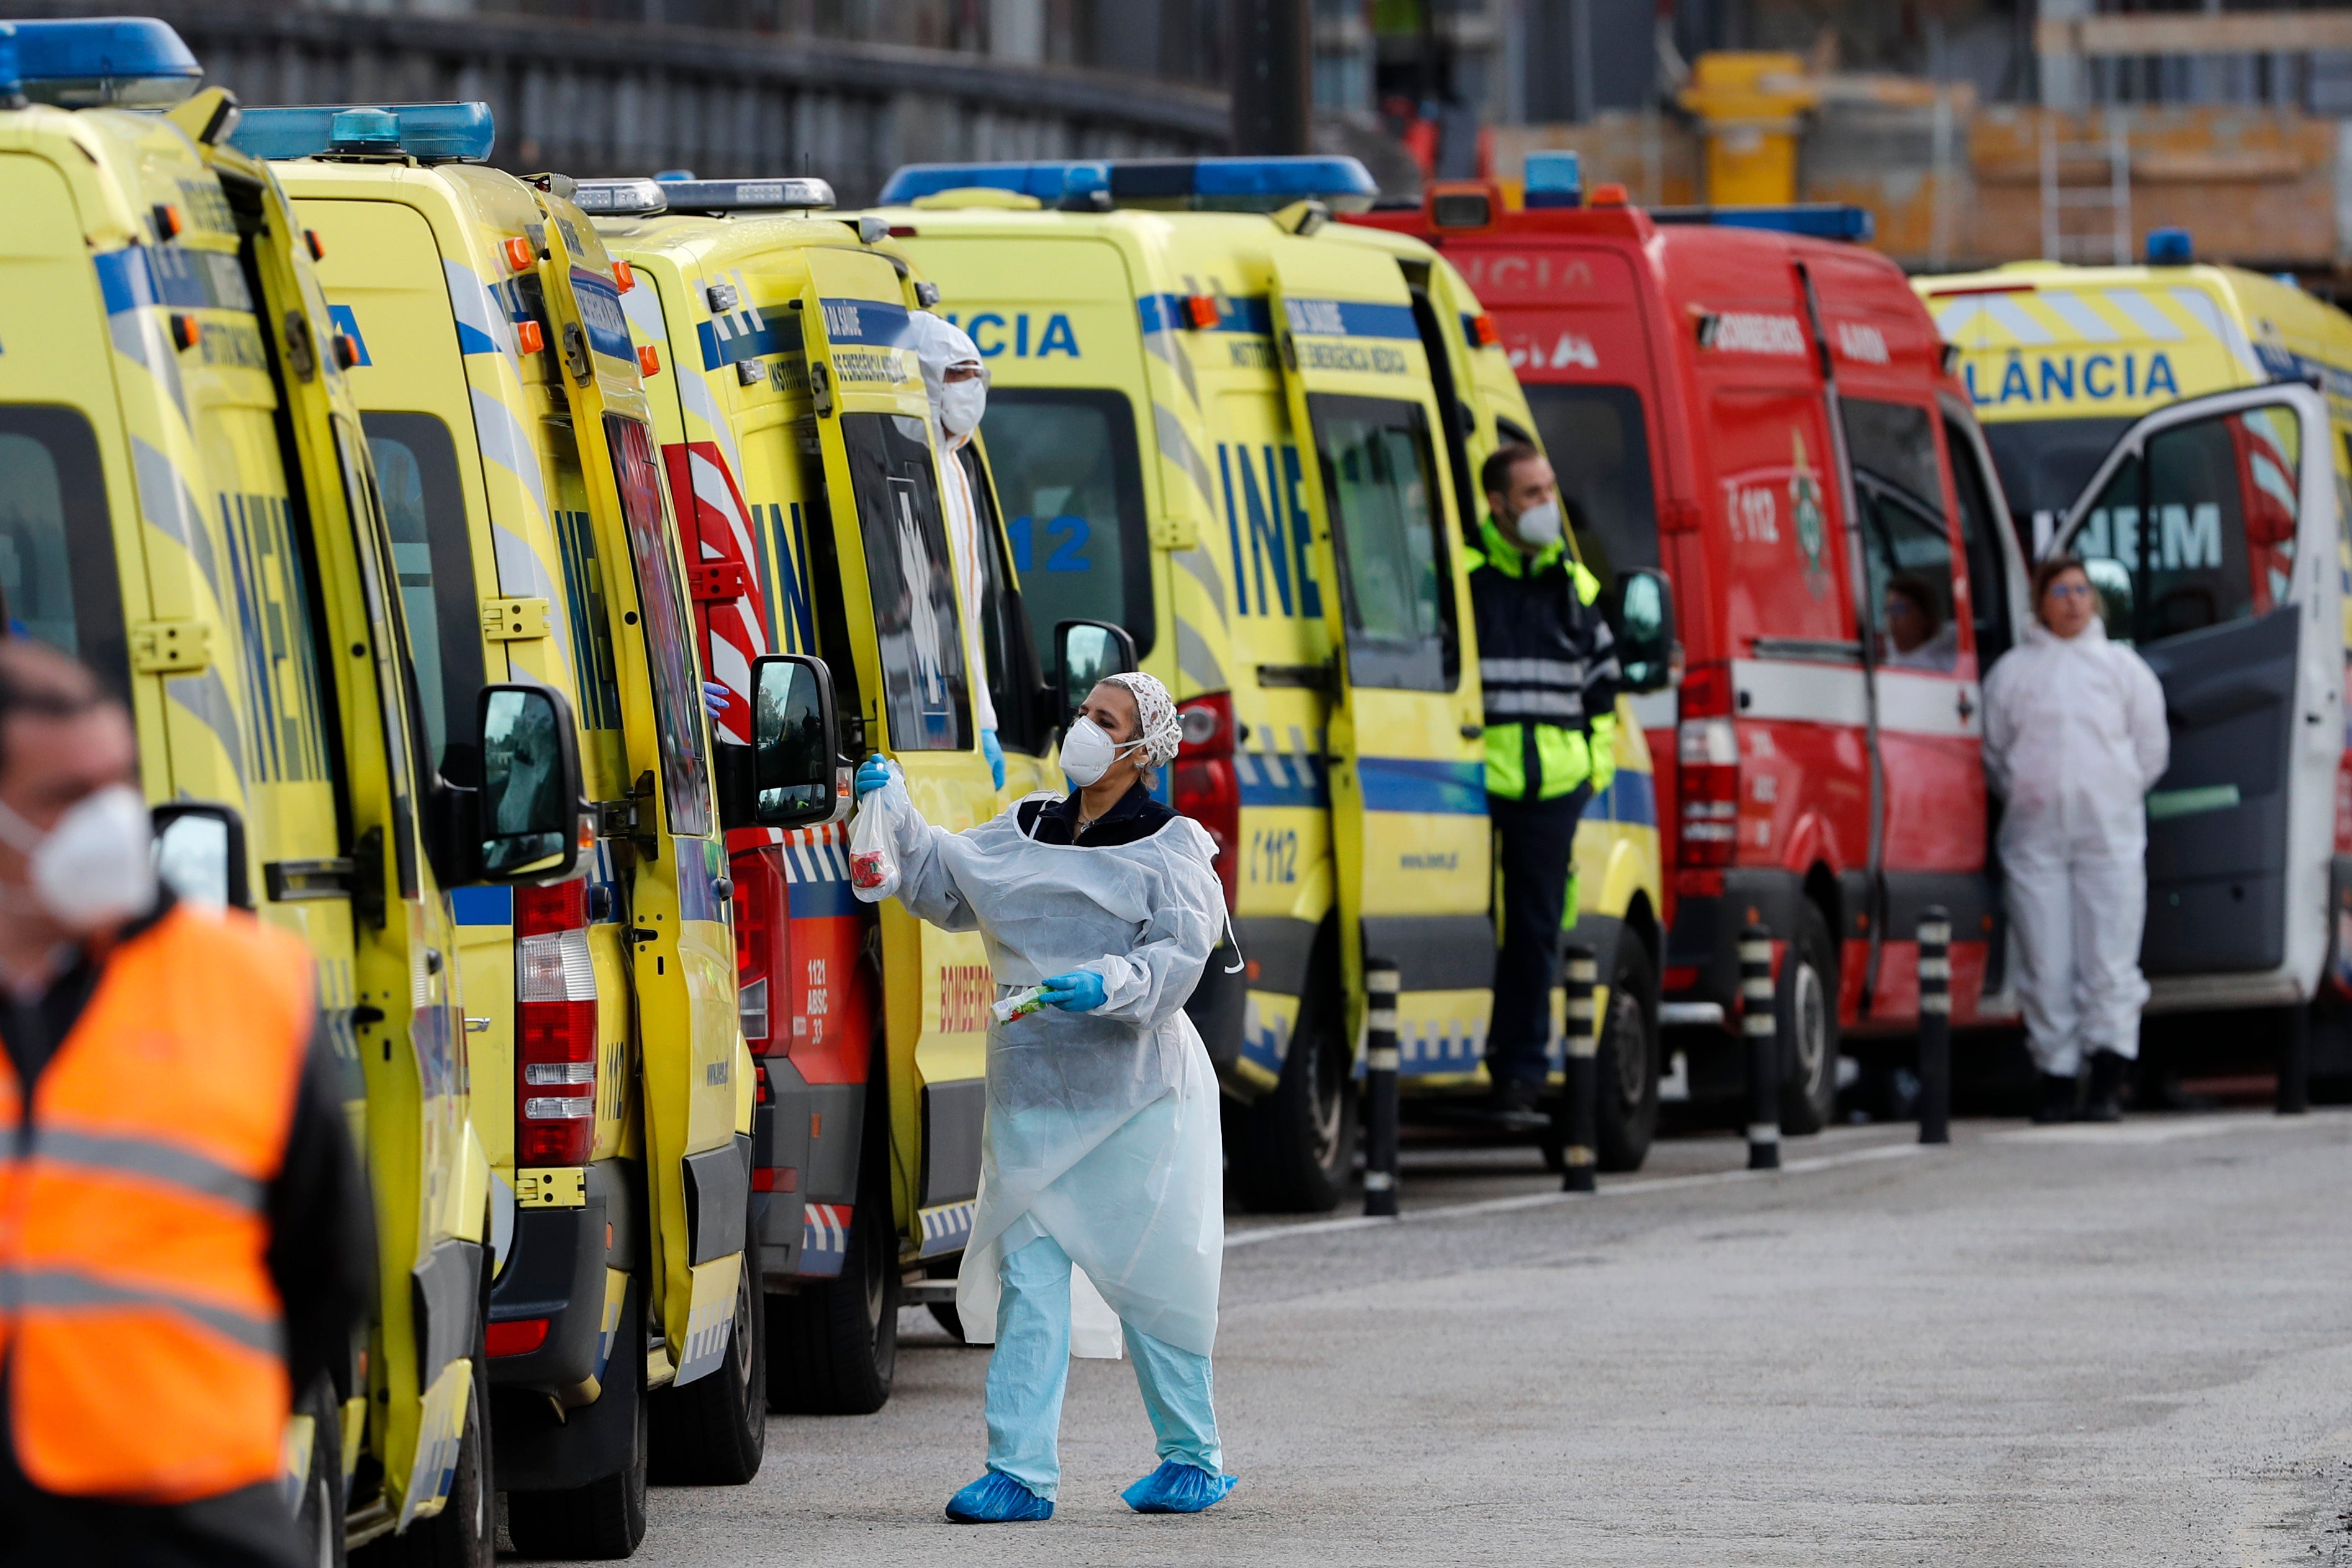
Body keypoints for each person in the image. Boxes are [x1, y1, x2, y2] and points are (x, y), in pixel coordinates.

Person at [0, 639, 373, 1566]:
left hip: (190, 1516)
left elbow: (330, 1266)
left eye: (120, 784)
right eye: (69, 797)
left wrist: (200, 1416)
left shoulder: (243, 985)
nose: (113, 824)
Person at [851, 670, 1236, 1522]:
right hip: (1032, 1097)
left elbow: (1181, 954)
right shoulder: (1028, 827)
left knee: (1152, 1276)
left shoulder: (1167, 844)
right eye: (1084, 712)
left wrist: (1109, 981)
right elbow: (943, 881)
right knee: (1030, 1277)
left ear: (1142, 749)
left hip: (1136, 1099)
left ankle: (1192, 1454)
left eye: (1107, 719)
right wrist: (893, 809)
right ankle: (1019, 1471)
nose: (1084, 727)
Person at [1982, 556, 2168, 1123]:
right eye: (2060, 591)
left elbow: (2150, 748)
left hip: (2108, 835)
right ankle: (2057, 1077)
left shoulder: (2123, 670)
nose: (2072, 601)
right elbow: (1995, 754)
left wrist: (2113, 791)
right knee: (2046, 960)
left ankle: (2109, 1074)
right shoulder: (2013, 673)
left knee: (2110, 957)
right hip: (2036, 837)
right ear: (2040, 601)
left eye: (2081, 590)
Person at [1469, 444, 1619, 1126]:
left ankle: (1520, 1074)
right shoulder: (1467, 582)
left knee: (1534, 930)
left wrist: (1593, 774)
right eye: (1530, 494)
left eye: (1549, 490)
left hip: (1554, 791)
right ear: (1496, 505)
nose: (1545, 506)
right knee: (1470, 921)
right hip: (1474, 784)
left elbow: (1603, 698)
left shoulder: (1575, 586)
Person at [907, 310, 1005, 790]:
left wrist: (982, 715)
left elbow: (966, 614)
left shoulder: (954, 464)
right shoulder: (910, 462)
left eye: (975, 375)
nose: (971, 386)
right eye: (957, 374)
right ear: (924, 375)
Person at [1882, 575, 1959, 672]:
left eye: (1899, 609)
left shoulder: (1945, 666)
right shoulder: (1883, 652)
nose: (1891, 617)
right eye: (1888, 610)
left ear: (1926, 615)